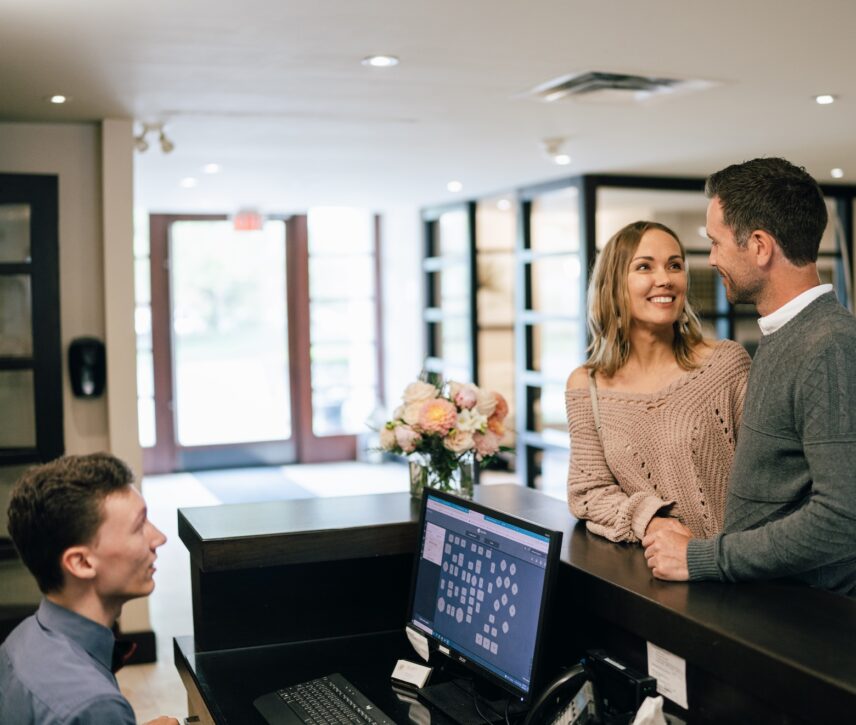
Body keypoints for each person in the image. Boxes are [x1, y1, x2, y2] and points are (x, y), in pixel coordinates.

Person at [643, 157, 856, 597]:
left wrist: (702, 557)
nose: (711, 258)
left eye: (716, 243)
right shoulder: (786, 336)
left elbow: (843, 518)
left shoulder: (831, 346)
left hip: (809, 623)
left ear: (760, 246)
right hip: (767, 609)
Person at [565, 221, 751, 543]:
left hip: (732, 564)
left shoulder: (726, 364)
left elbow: (767, 477)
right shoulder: (586, 386)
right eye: (644, 267)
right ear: (614, 283)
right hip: (649, 568)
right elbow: (587, 492)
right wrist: (649, 522)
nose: (665, 279)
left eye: (675, 265)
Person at [0, 453, 179, 724]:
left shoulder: (21, 640)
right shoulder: (93, 705)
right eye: (138, 526)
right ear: (81, 563)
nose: (159, 538)